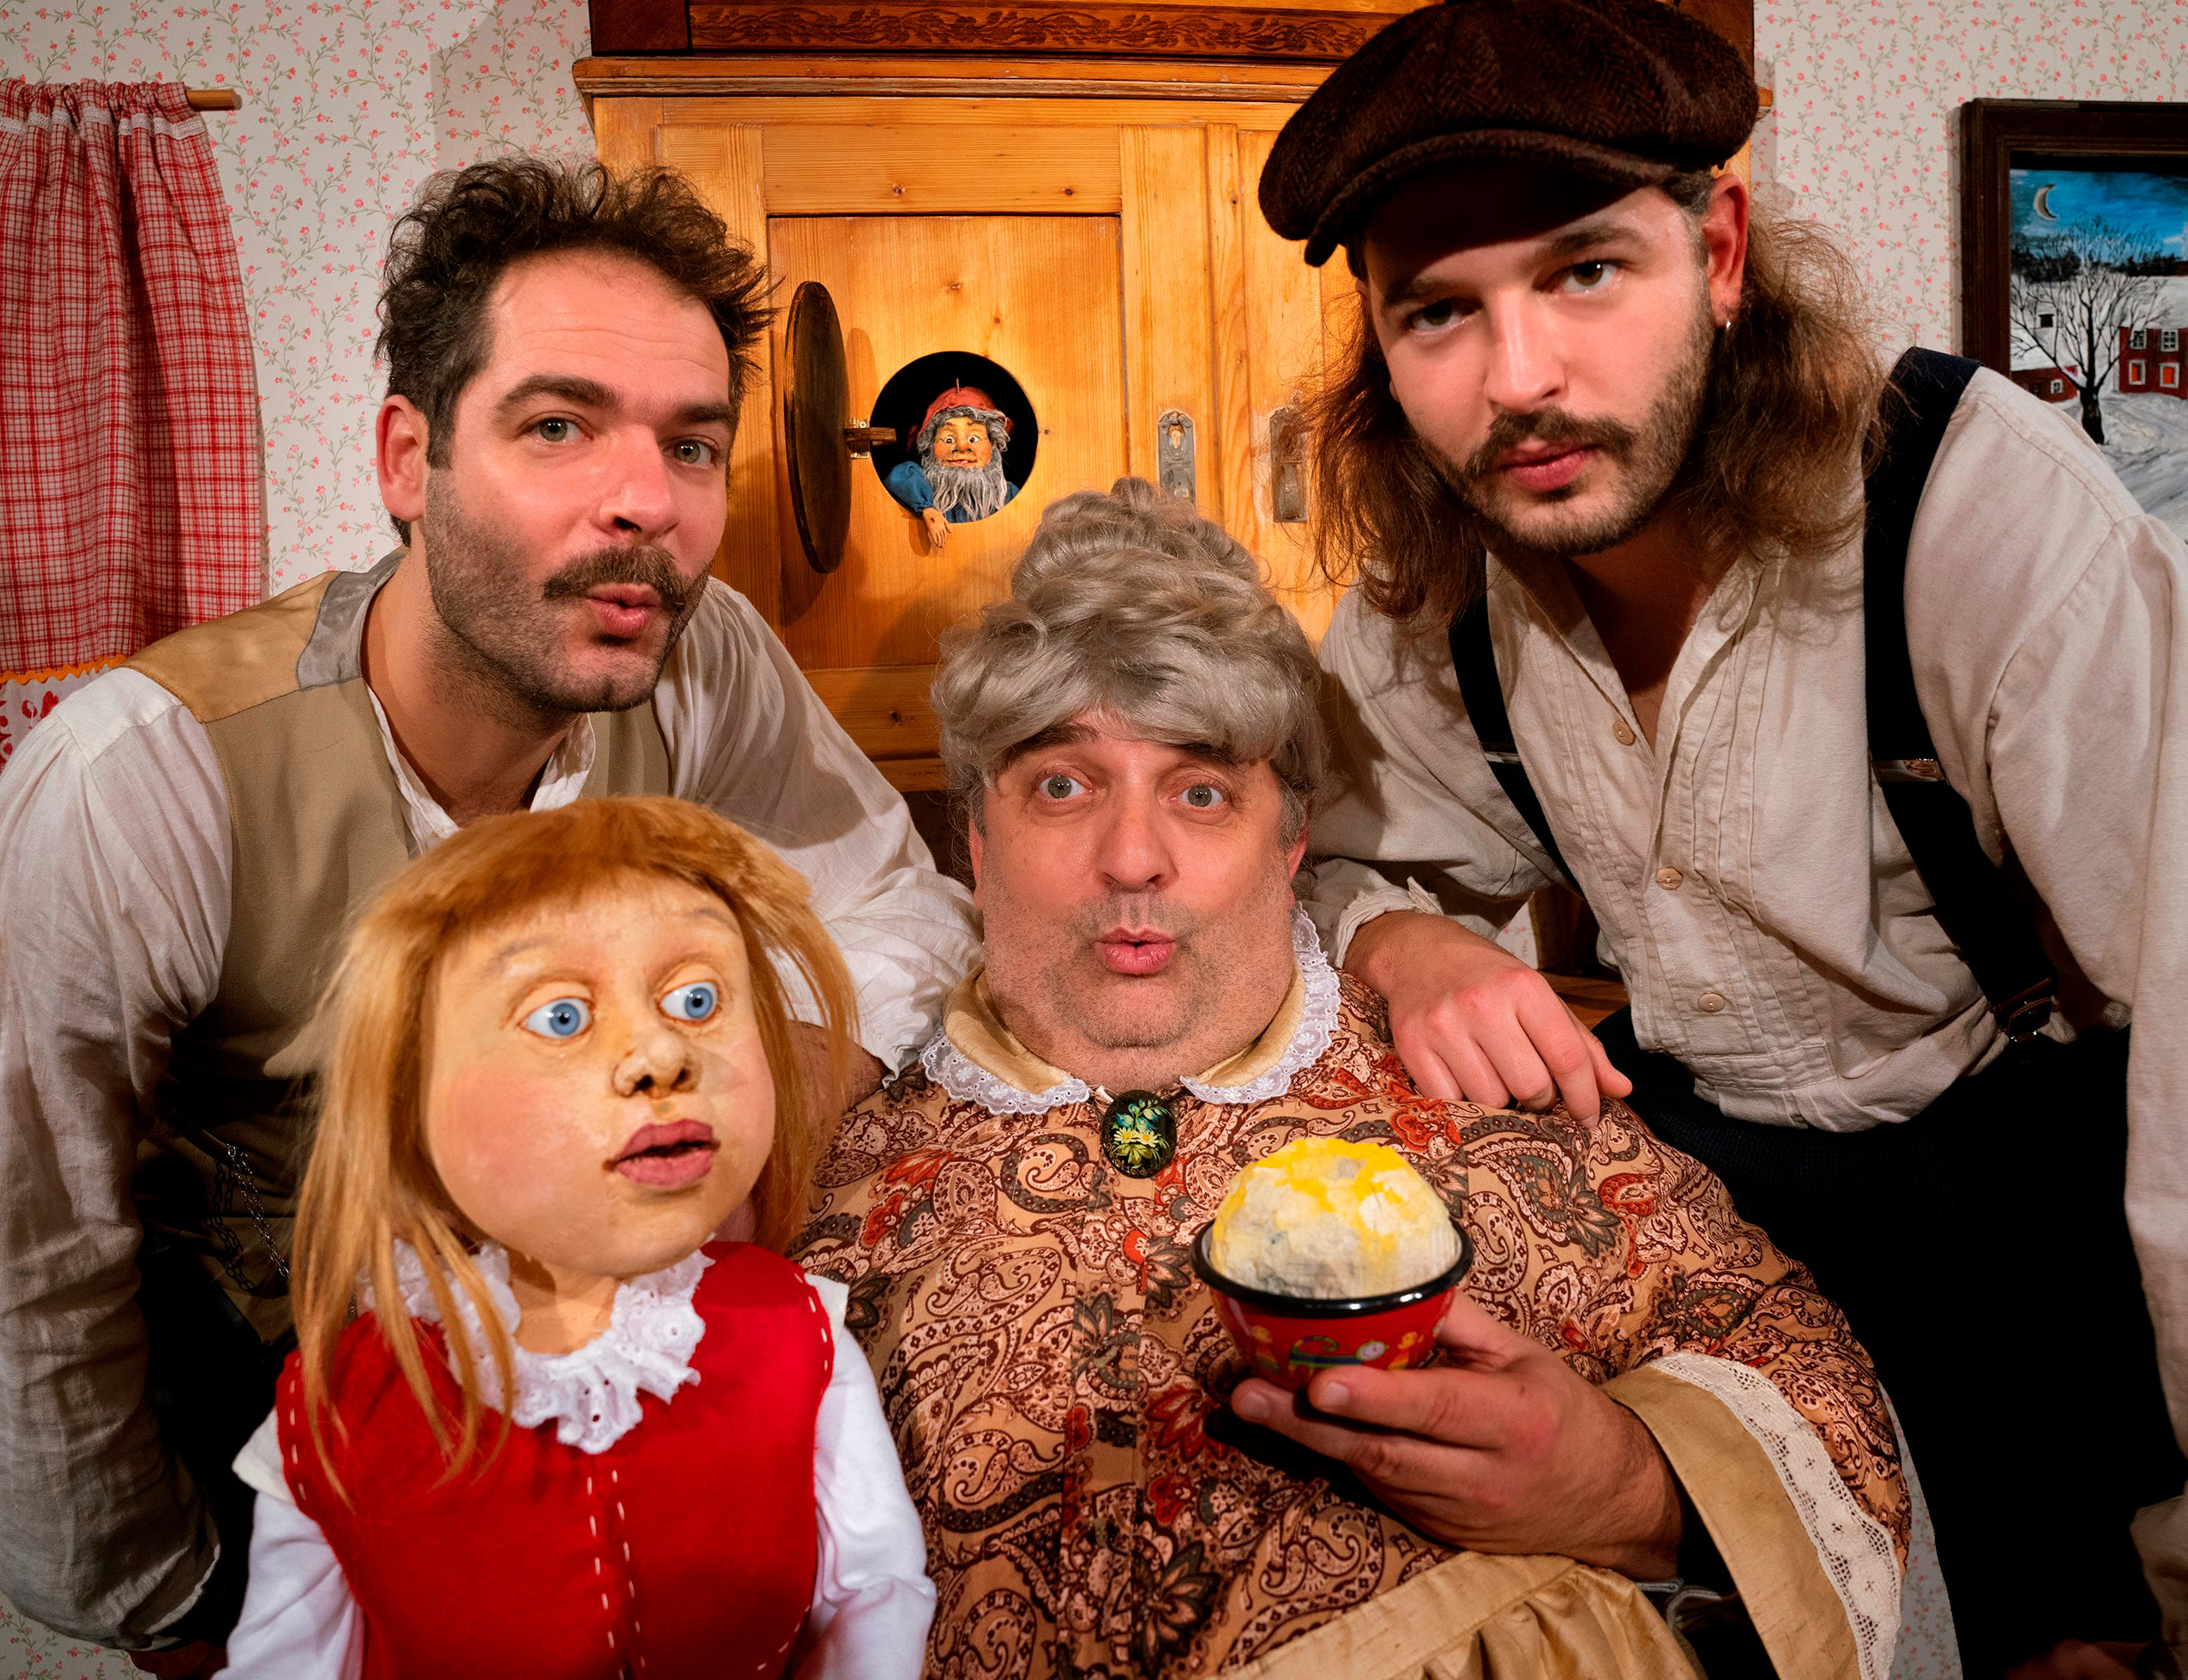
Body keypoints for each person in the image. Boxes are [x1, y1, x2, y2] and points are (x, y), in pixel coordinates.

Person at [1258, 1, 2188, 1671]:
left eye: (1585, 272)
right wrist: (1408, 935)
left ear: (1721, 250)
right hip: (1715, 1216)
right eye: (1439, 310)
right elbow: (1320, 855)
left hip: (2031, 1220)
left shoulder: (1975, 516)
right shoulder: (1435, 596)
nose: (1519, 379)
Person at [0, 158, 977, 1663]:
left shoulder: (704, 656)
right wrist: (169, 1594)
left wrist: (746, 1097)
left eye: (691, 444)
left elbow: (896, 904)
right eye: (557, 425)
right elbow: (33, 1257)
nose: (643, 502)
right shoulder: (140, 777)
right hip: (293, 1440)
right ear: (409, 458)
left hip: (644, 1390)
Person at [793, 479, 1930, 1680]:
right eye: (1061, 786)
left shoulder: (1484, 1085)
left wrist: (1626, 1486)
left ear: (1291, 843)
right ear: (974, 839)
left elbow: (1810, 1380)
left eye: (1200, 791)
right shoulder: (818, 1156)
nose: (1131, 858)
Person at [220, 797, 931, 1677]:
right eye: (561, 1016)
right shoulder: (340, 1412)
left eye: (697, 999)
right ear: (406, 1109)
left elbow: (874, 1595)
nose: (660, 1055)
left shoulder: (799, 1332)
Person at [882, 382, 1022, 550]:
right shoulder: (924, 488)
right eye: (948, 439)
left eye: (974, 438)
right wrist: (927, 509)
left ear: (992, 444)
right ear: (930, 447)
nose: (962, 447)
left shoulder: (1008, 495)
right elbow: (901, 476)